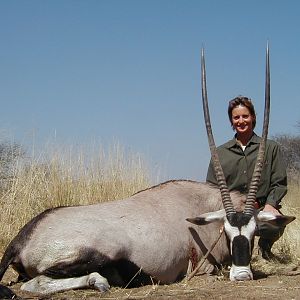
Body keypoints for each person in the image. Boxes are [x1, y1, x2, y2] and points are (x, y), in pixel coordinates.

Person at [206, 96, 287, 260]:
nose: (241, 121)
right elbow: (211, 188)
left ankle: (264, 250)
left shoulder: (271, 147)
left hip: (258, 211)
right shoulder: (220, 153)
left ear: (253, 117)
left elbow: (279, 183)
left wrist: (271, 205)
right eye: (236, 117)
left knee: (275, 225)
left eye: (245, 116)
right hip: (231, 214)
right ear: (231, 121)